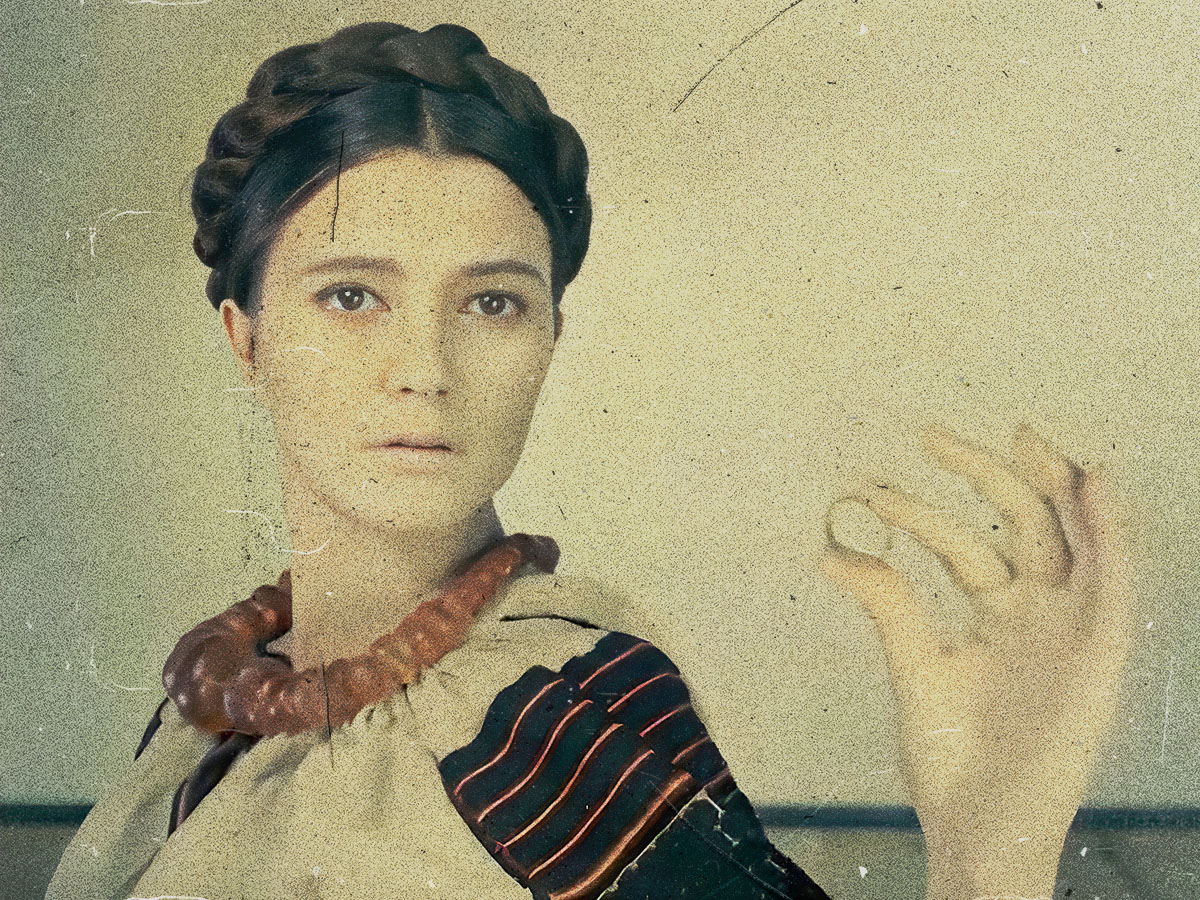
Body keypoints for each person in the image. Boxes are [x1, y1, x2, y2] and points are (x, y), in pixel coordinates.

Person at [45, 21, 1137, 900]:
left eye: (491, 302)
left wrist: (992, 857)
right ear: (246, 338)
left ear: (548, 342)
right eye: (351, 295)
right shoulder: (215, 705)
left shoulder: (546, 720)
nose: (423, 367)